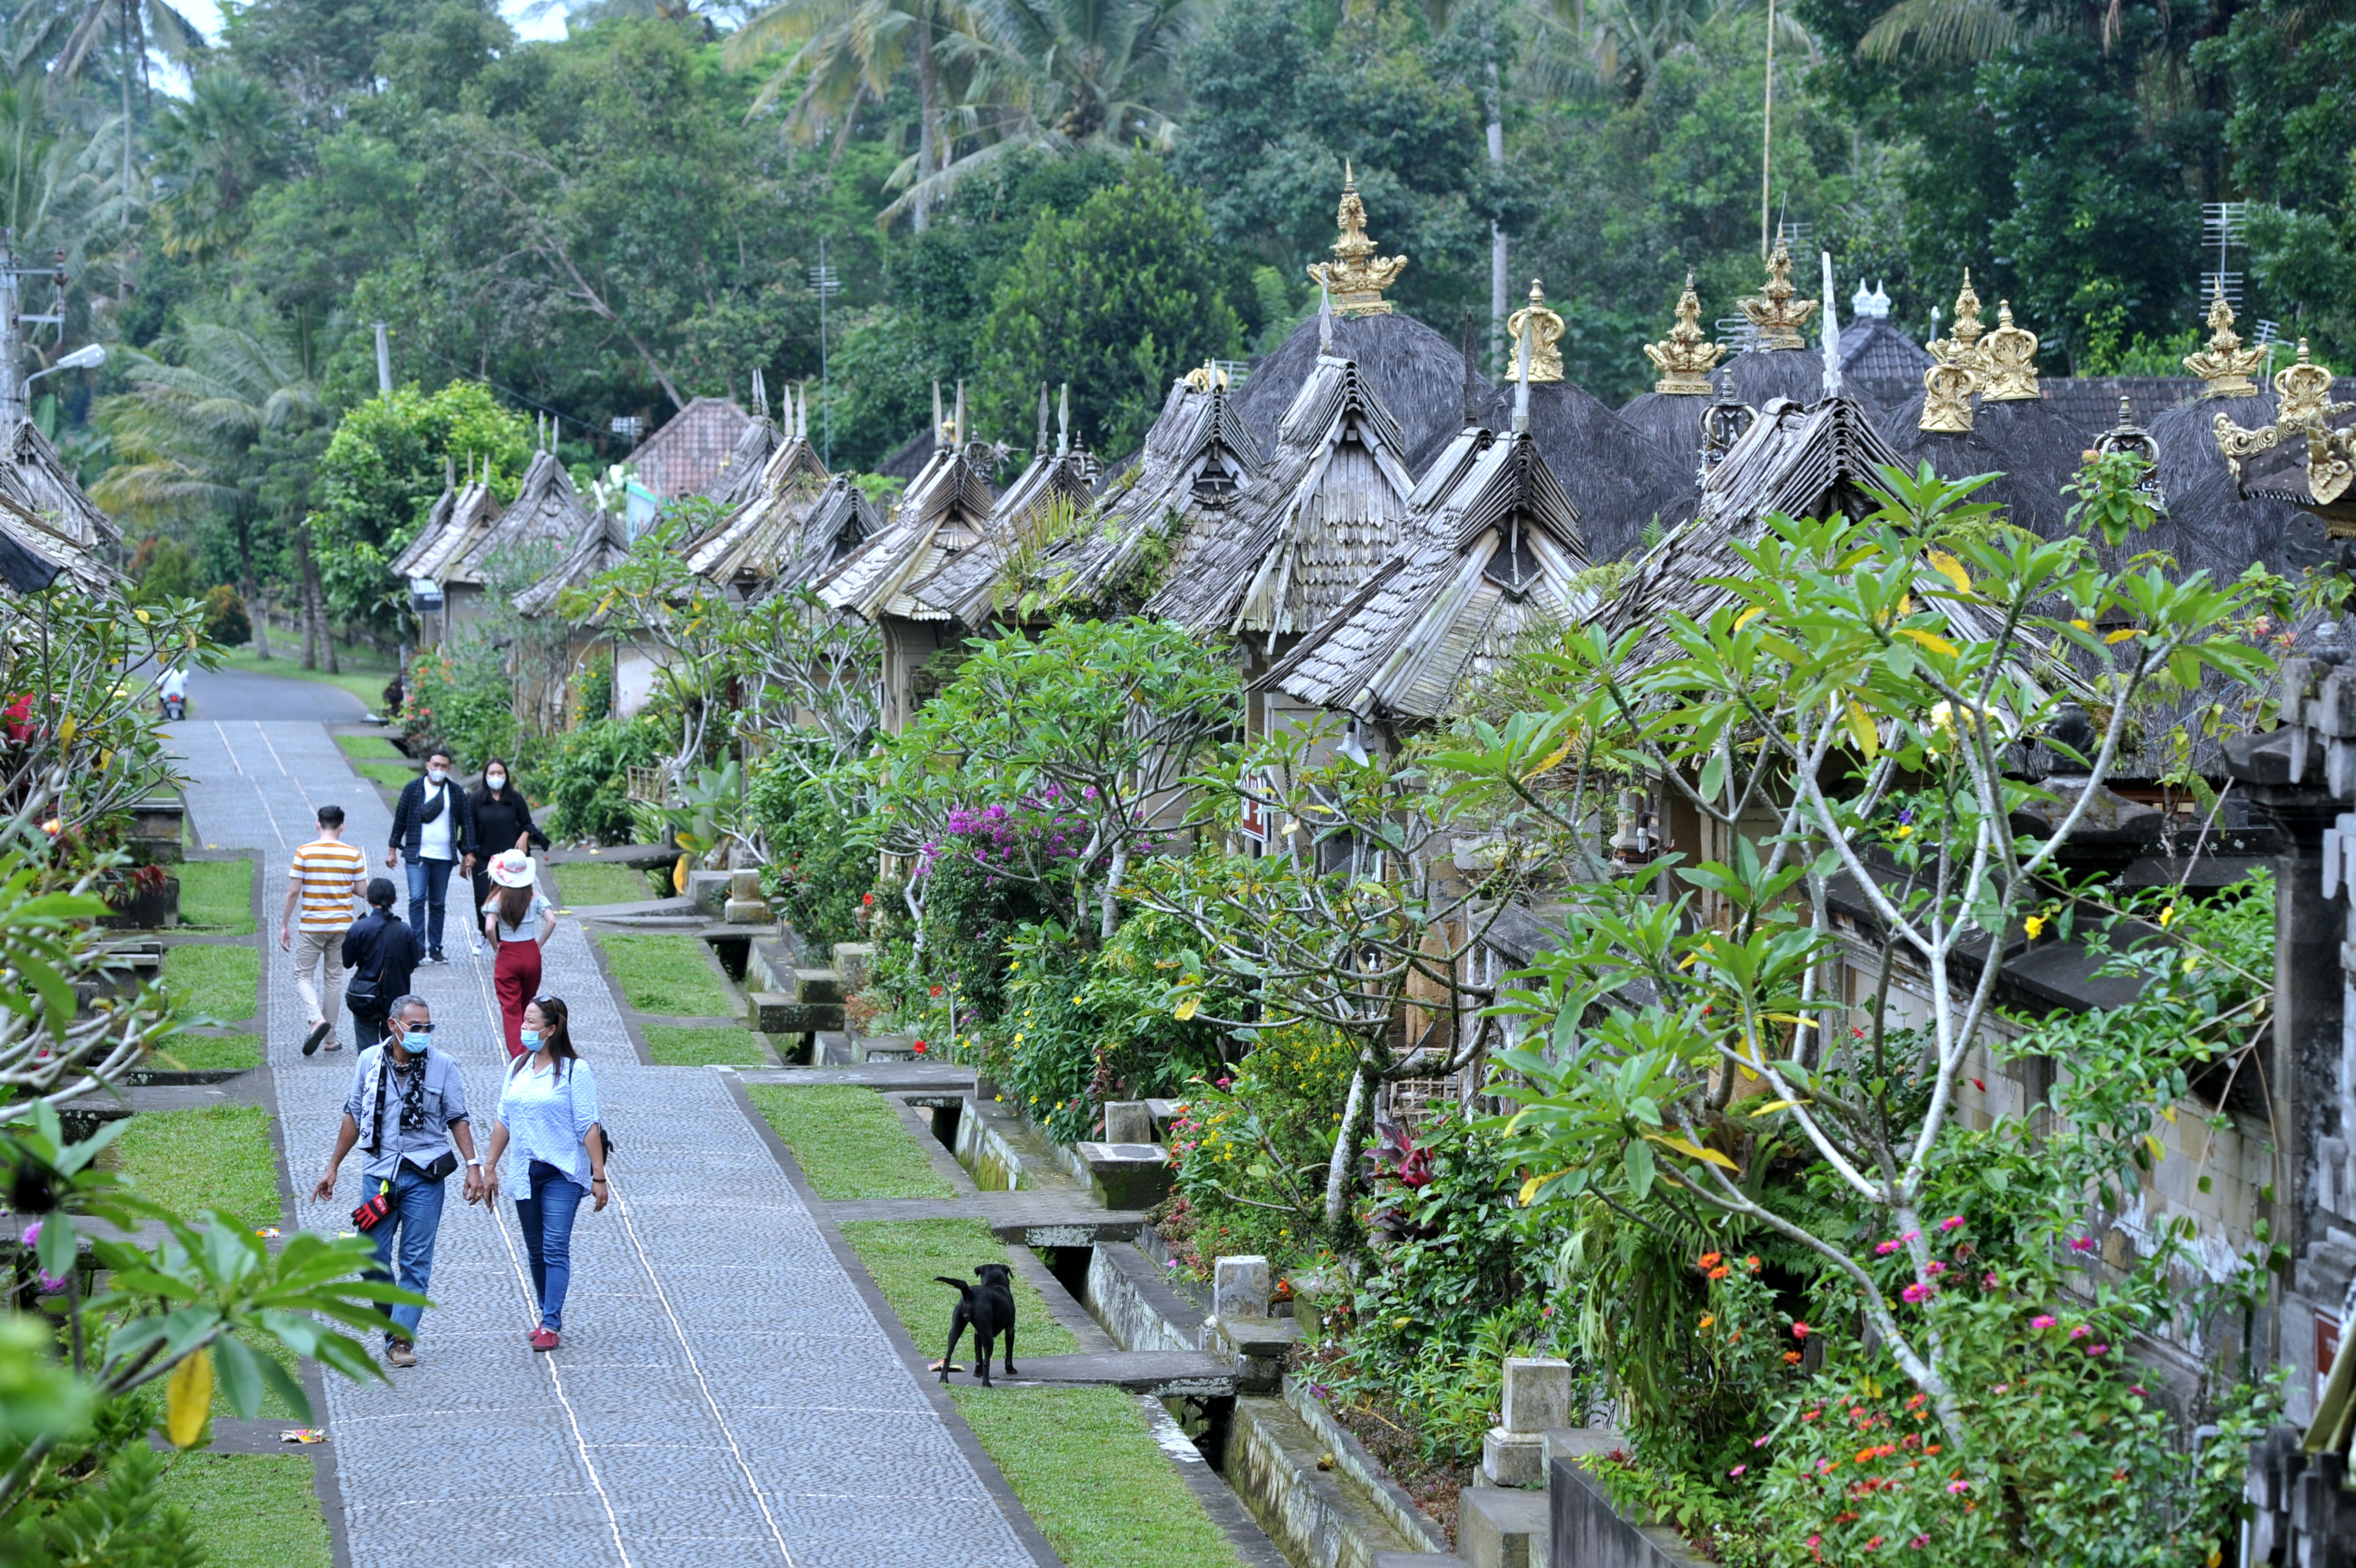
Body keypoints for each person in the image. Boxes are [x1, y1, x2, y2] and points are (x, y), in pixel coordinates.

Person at [311, 995, 484, 1368]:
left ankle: (400, 1339)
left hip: (425, 1176)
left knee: (415, 1260)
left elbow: (458, 1116)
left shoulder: (444, 1065)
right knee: (370, 1256)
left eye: (428, 1027)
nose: (423, 1033)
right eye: (415, 1027)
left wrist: (474, 1166)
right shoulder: (368, 1061)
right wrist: (333, 1166)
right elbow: (353, 1113)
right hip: (380, 1175)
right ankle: (394, 1320)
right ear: (394, 1025)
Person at [484, 995, 607, 1351]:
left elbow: (588, 1125)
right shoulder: (518, 1067)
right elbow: (504, 1120)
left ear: (551, 1030)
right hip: (525, 1171)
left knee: (555, 1247)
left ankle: (551, 1322)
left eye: (531, 1022)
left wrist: (599, 1176)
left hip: (561, 1173)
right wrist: (489, 1166)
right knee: (535, 1250)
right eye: (524, 1020)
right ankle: (545, 1313)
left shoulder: (575, 1071)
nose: (524, 1027)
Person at [282, 804, 367, 1056]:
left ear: (318, 824)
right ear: (342, 826)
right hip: (342, 927)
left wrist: (284, 924)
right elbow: (363, 890)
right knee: (333, 980)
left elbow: (293, 891)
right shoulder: (352, 854)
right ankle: (330, 1040)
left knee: (303, 976)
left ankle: (316, 1019)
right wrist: (342, 882)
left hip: (312, 926)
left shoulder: (304, 852)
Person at [386, 747, 475, 964]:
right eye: (436, 765)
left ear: (449, 769)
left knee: (438, 903)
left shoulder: (455, 792)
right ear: (428, 766)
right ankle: (417, 948)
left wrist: (469, 851)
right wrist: (393, 849)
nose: (439, 770)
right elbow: (400, 819)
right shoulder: (413, 789)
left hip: (444, 857)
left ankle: (435, 947)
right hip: (417, 854)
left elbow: (467, 822)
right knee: (417, 899)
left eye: (444, 766)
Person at [468, 759, 549, 956]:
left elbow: (527, 823)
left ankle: (508, 938)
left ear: (506, 775)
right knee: (483, 897)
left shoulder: (515, 798)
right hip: (485, 857)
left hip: (511, 860)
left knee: (511, 897)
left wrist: (524, 836)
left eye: (500, 773)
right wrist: (468, 853)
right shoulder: (476, 800)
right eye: (492, 773)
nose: (496, 777)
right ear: (485, 776)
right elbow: (469, 828)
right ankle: (485, 933)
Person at [481, 850, 558, 1058]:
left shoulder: (497, 897)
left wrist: (496, 947)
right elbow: (552, 920)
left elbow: (489, 927)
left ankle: (519, 1055)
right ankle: (532, 1047)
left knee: (511, 1009)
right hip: (531, 953)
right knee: (527, 1005)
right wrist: (538, 945)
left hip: (508, 953)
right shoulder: (534, 895)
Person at [341, 878, 419, 1053]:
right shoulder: (405, 931)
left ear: (368, 898)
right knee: (395, 1052)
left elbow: (347, 963)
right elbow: (412, 967)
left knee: (367, 1052)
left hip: (365, 997)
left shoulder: (358, 928)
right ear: (395, 900)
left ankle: (370, 1071)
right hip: (395, 1000)